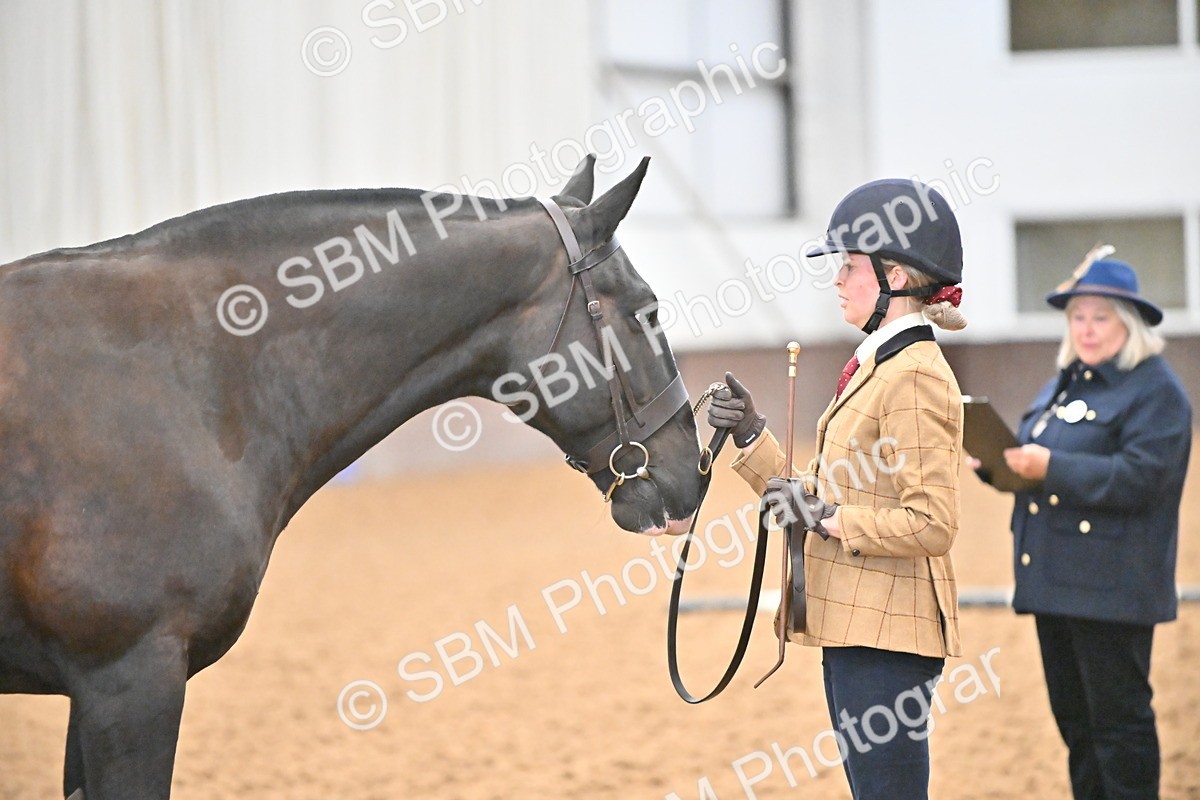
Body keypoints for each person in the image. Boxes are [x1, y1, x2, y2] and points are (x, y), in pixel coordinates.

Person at [708, 179, 967, 799]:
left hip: (888, 634)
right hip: (857, 625)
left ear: (896, 277)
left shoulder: (912, 376)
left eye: (849, 266)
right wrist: (751, 434)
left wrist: (827, 519)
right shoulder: (881, 368)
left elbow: (932, 523)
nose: (837, 279)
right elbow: (831, 492)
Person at [990, 257, 1191, 800]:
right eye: (1077, 317)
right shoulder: (1066, 384)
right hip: (1057, 585)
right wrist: (996, 464)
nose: (1086, 329)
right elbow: (1042, 465)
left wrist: (1049, 467)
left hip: (1110, 589)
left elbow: (1143, 479)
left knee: (1118, 729)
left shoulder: (1155, 392)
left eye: (1100, 317)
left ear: (1131, 323)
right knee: (1079, 729)